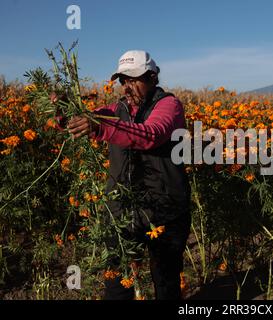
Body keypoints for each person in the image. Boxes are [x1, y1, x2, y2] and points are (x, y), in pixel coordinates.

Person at [67, 50, 191, 300]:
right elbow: (82, 120)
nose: (127, 87)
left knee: (166, 281)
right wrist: (61, 110)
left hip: (164, 208)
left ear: (152, 78)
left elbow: (151, 134)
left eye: (134, 80)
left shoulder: (169, 105)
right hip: (121, 210)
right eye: (124, 81)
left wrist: (100, 126)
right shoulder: (116, 109)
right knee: (116, 283)